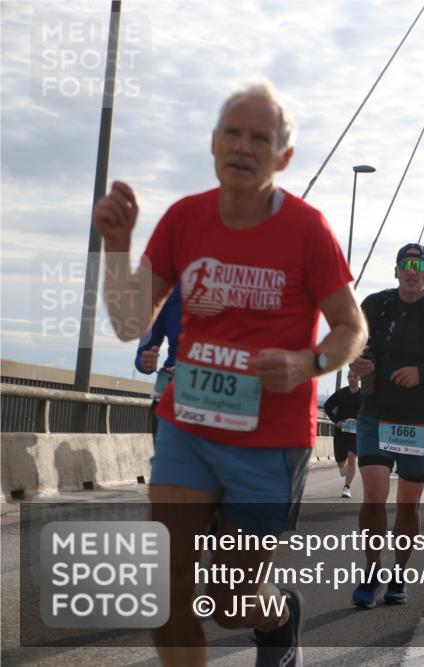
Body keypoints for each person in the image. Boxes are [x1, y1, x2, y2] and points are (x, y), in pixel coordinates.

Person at [92, 81, 367, 667]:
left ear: (283, 157)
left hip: (269, 443)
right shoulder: (184, 219)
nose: (243, 146)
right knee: (169, 593)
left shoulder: (308, 230)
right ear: (213, 142)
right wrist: (117, 246)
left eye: (259, 138)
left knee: (231, 601)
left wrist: (307, 363)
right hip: (187, 427)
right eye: (232, 133)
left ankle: (279, 617)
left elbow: (351, 327)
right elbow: (128, 322)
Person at [348, 243, 424, 607]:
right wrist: (357, 364)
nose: (412, 271)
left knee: (407, 506)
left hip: (419, 419)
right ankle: (371, 574)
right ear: (397, 271)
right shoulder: (375, 304)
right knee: (373, 495)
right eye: (406, 264)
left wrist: (423, 374)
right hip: (376, 413)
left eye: (419, 265)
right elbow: (354, 347)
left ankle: (399, 575)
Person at [135, 285, 182, 435]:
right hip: (170, 398)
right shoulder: (165, 293)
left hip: (227, 404)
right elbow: (141, 356)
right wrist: (145, 362)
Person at [323, 372, 363, 498]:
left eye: (355, 376)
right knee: (341, 463)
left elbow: (370, 412)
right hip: (341, 433)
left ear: (359, 378)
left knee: (352, 456)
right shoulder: (341, 393)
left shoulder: (364, 395)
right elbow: (327, 406)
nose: (352, 379)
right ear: (347, 378)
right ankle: (344, 468)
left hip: (356, 434)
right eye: (350, 377)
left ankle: (347, 487)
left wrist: (363, 423)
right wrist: (337, 421)